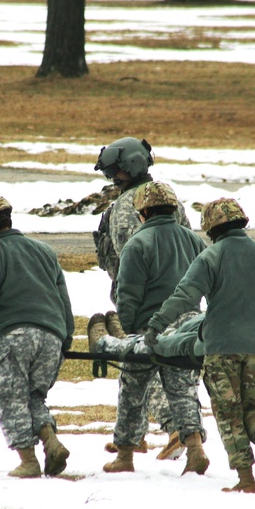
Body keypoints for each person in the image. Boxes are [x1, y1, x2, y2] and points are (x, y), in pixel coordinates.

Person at [143, 198, 255, 494]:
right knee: (248, 407)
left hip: (221, 349)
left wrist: (156, 325)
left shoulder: (210, 257)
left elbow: (185, 296)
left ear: (211, 227)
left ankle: (246, 479)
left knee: (228, 414)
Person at [98, 181, 210, 476]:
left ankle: (125, 454)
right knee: (183, 391)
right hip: (187, 329)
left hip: (150, 329)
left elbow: (128, 294)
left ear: (143, 210)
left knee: (132, 390)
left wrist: (132, 330)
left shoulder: (138, 242)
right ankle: (195, 448)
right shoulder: (194, 241)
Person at [92, 137, 191, 461]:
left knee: (139, 365)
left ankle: (170, 429)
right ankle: (144, 437)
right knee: (176, 369)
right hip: (183, 302)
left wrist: (129, 309)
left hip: (145, 303)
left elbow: (126, 262)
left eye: (115, 173)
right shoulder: (170, 200)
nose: (112, 179)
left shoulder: (124, 208)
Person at [0, 194, 75, 479]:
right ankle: (51, 442)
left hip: (13, 336)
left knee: (8, 394)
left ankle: (28, 461)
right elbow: (63, 299)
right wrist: (66, 338)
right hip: (52, 336)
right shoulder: (44, 251)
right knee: (33, 396)